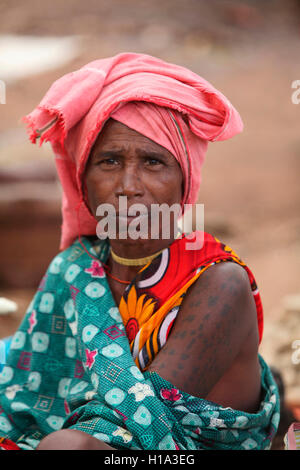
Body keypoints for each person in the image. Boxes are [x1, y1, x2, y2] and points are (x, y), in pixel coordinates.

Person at [0, 53, 279, 450]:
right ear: (83, 180)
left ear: (186, 178)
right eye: (109, 161)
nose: (128, 185)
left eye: (152, 162)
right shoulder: (78, 267)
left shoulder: (218, 284)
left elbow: (137, 422)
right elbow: (23, 398)